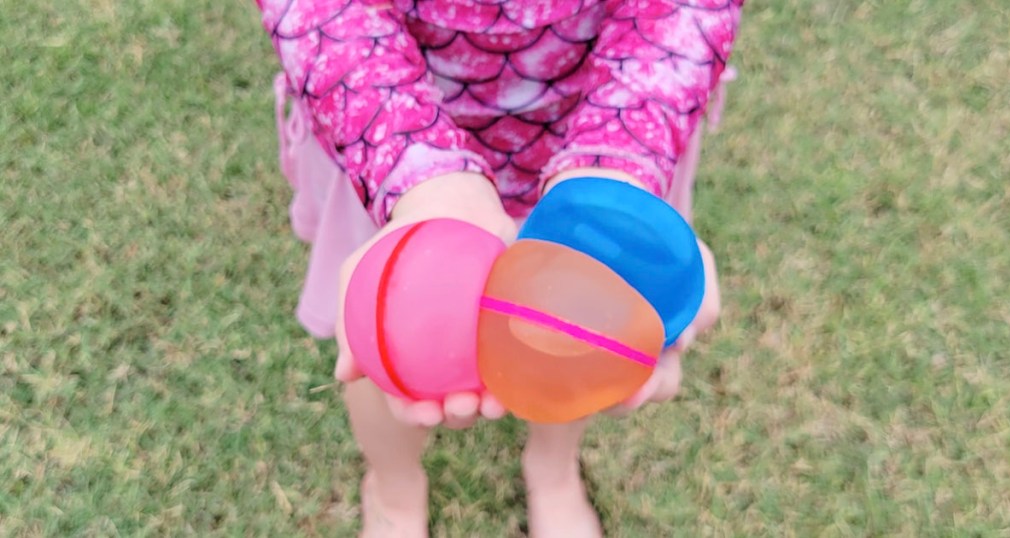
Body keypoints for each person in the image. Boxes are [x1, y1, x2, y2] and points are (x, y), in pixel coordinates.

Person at [254, 1, 741, 535]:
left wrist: (616, 163)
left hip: (594, 135)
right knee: (386, 342)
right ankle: (395, 486)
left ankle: (551, 471)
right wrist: (418, 174)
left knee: (577, 328)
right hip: (396, 157)